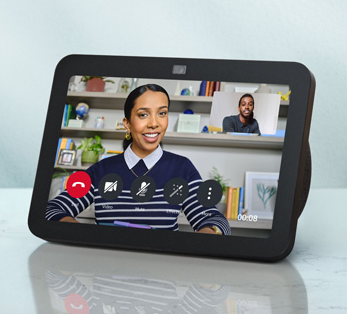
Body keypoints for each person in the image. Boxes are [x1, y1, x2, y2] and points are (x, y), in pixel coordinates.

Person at [46, 84, 231, 235]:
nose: (154, 123)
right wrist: (82, 234)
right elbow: (53, 209)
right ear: (127, 123)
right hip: (106, 272)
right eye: (143, 114)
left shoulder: (181, 168)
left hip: (162, 275)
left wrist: (207, 234)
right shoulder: (101, 170)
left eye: (162, 113)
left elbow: (216, 220)